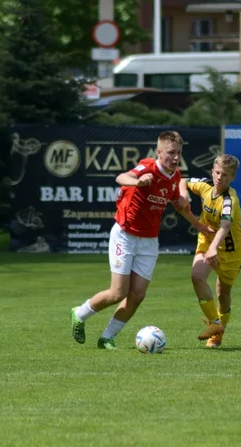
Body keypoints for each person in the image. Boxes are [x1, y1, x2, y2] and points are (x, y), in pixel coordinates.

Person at [70, 131, 213, 350]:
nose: (175, 158)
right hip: (125, 235)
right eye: (171, 153)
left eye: (179, 153)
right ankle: (79, 313)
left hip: (149, 241)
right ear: (159, 152)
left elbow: (179, 206)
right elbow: (121, 178)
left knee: (137, 295)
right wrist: (138, 181)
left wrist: (199, 226)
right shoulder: (148, 166)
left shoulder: (174, 177)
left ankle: (107, 337)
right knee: (118, 293)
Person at [178, 154, 241, 348]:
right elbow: (182, 180)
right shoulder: (205, 185)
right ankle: (215, 325)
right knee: (197, 276)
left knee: (223, 293)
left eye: (225, 175)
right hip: (208, 242)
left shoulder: (229, 200)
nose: (219, 177)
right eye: (217, 172)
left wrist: (214, 248)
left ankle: (218, 332)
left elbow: (225, 225)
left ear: (232, 178)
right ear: (212, 171)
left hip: (232, 252)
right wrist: (184, 194)